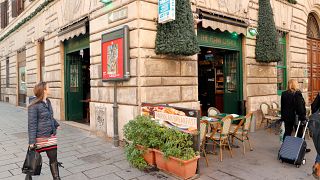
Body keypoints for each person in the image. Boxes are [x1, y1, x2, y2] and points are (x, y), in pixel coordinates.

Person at [27, 82, 61, 180]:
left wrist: (56, 124)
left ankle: (57, 178)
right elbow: (32, 124)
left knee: (53, 160)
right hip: (39, 138)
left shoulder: (48, 101)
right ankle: (28, 177)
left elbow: (50, 116)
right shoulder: (34, 105)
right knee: (32, 162)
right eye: (48, 87)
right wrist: (32, 142)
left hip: (50, 136)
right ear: (44, 90)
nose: (50, 88)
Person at [281, 79, 310, 152]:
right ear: (295, 84)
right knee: (300, 133)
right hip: (296, 117)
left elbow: (283, 107)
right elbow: (300, 107)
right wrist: (303, 117)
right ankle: (301, 149)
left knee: (287, 133)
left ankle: (284, 148)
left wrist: (283, 117)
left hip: (287, 117)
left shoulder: (284, 93)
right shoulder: (297, 94)